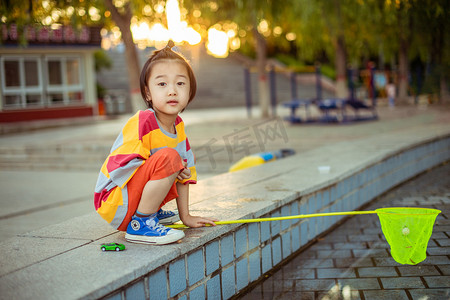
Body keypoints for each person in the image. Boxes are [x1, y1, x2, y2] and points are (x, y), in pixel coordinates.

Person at [94, 41, 217, 245]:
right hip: (113, 201)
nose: (172, 91)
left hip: (132, 199)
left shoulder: (178, 127)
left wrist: (186, 217)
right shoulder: (143, 121)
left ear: (190, 90)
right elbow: (124, 167)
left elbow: (185, 176)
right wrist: (171, 166)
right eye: (162, 84)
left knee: (175, 162)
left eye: (180, 83)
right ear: (148, 93)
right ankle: (141, 223)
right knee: (169, 159)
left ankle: (148, 212)